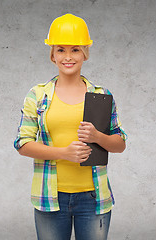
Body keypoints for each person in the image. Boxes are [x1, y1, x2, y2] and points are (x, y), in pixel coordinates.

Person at [14, 13, 127, 240]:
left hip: (93, 198)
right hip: (50, 197)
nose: (68, 57)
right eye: (61, 50)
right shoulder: (38, 95)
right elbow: (22, 144)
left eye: (75, 49)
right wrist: (63, 153)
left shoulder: (101, 95)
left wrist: (97, 136)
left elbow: (120, 143)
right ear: (52, 55)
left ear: (84, 53)